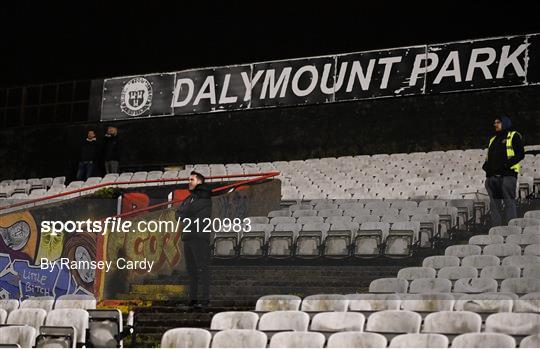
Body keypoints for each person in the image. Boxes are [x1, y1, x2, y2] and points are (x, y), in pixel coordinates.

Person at [175, 171, 212, 308]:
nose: (189, 182)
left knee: (202, 268)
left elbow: (187, 211)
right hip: (188, 237)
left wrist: (185, 212)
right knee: (191, 270)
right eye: (188, 179)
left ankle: (205, 298)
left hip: (199, 237)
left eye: (192, 180)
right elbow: (177, 214)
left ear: (199, 182)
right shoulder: (189, 198)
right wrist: (185, 212)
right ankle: (193, 298)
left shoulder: (204, 197)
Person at [482, 116, 524, 226]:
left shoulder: (513, 135)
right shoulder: (493, 139)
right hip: (492, 177)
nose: (495, 125)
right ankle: (496, 229)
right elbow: (488, 159)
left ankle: (511, 228)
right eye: (494, 122)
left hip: (508, 175)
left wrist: (506, 165)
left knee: (509, 202)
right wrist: (487, 170)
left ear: (505, 123)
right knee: (494, 205)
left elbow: (520, 154)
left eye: (498, 122)